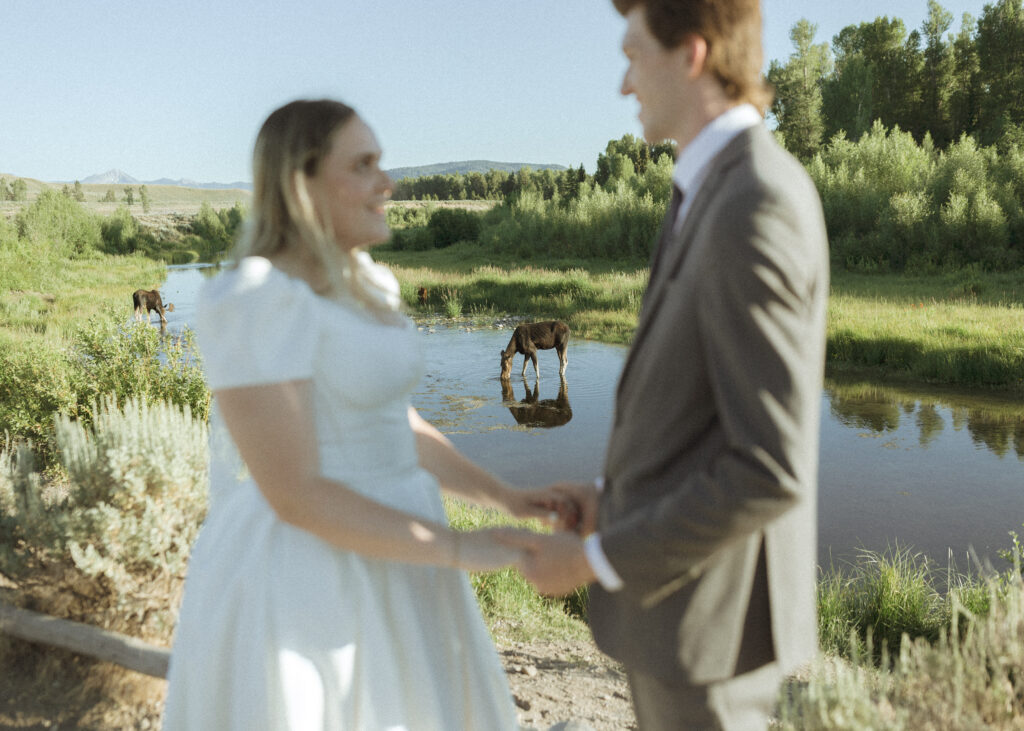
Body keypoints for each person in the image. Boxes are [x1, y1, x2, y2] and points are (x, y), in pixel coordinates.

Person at [162, 99, 567, 730]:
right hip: (314, 570)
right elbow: (294, 492)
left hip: (408, 543)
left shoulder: (368, 286)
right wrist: (460, 547)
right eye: (365, 164)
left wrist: (507, 498)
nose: (389, 183)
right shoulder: (254, 298)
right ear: (303, 183)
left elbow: (394, 423)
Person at [500, 1, 830, 728]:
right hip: (681, 626)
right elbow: (697, 412)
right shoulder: (707, 189)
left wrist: (595, 558)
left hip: (717, 634)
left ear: (693, 54)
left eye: (633, 54)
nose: (624, 84)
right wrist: (609, 497)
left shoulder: (755, 203)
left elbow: (771, 466)